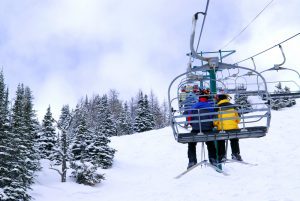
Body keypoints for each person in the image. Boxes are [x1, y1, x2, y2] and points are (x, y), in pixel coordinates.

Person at [186, 91, 215, 169]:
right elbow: (213, 118)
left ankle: (192, 160)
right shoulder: (210, 106)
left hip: (196, 129)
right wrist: (211, 125)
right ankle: (213, 159)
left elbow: (189, 118)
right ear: (207, 99)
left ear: (199, 98)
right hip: (207, 129)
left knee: (191, 143)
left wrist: (192, 125)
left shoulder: (194, 106)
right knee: (210, 142)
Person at [214, 94, 243, 161]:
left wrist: (216, 125)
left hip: (222, 129)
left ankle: (222, 155)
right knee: (234, 139)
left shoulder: (218, 107)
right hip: (233, 128)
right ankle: (235, 153)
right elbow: (238, 119)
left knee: (221, 139)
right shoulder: (233, 107)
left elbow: (215, 121)